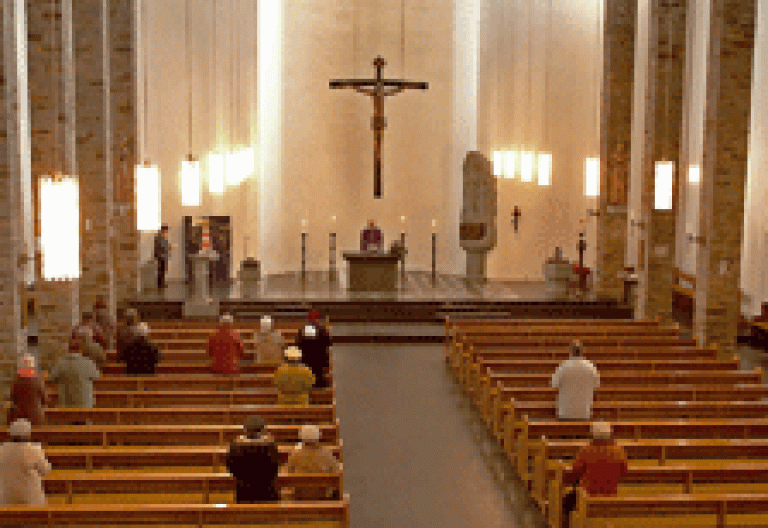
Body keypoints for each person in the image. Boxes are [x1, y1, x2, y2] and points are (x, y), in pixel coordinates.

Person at [561, 421, 628, 528]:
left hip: (587, 496)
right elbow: (623, 472)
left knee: (566, 503)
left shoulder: (587, 451)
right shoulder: (619, 452)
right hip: (611, 495)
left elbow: (575, 471)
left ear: (593, 435)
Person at [225, 416, 280, 503]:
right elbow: (275, 469)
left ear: (245, 431)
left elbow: (230, 470)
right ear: (262, 431)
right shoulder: (270, 447)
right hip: (268, 495)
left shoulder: (235, 447)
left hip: (243, 496)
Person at [0, 419, 52, 506]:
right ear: (28, 435)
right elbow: (46, 470)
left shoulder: (2, 449)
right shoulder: (34, 449)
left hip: (6, 499)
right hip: (31, 500)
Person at [283, 424, 341, 500]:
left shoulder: (295, 454)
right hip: (322, 497)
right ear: (318, 437)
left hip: (300, 497)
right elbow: (337, 473)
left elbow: (287, 473)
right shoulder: (326, 454)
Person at [550, 341, 600, 420]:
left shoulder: (563, 367)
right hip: (584, 412)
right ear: (582, 352)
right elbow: (597, 385)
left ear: (570, 352)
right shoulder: (590, 367)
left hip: (565, 412)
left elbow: (554, 384)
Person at [296, 312, 332, 389]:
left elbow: (298, 345)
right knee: (318, 381)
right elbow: (327, 344)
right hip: (318, 362)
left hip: (306, 362)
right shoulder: (322, 331)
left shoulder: (302, 331)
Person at [8, 355, 46, 426]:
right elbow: (44, 399)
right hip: (36, 418)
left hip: (20, 418)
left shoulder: (16, 381)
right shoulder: (37, 380)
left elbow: (12, 398)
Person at [153, 224, 171, 290]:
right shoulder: (160, 237)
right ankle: (160, 284)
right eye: (166, 230)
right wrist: (168, 247)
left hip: (161, 255)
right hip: (161, 256)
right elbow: (162, 246)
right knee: (161, 270)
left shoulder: (160, 236)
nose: (167, 232)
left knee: (162, 270)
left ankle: (162, 283)